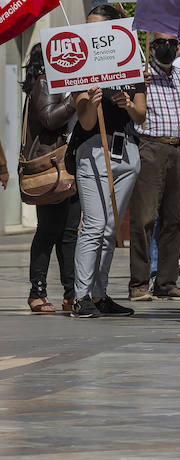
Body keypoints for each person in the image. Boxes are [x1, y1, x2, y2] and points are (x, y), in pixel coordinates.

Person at [70, 3, 148, 319]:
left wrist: (128, 103)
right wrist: (90, 99)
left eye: (98, 27)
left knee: (110, 228)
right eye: (87, 27)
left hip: (126, 150)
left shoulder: (131, 62)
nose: (90, 33)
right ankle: (81, 297)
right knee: (94, 224)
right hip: (93, 150)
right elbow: (87, 122)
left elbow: (141, 115)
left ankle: (100, 294)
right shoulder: (80, 65)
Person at [127, 33, 180, 302]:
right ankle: (139, 283)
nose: (166, 47)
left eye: (171, 42)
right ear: (151, 47)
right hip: (151, 148)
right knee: (144, 218)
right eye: (159, 43)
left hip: (179, 149)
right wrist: (135, 88)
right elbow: (129, 108)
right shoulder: (141, 77)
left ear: (178, 46)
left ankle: (167, 282)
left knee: (176, 219)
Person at [23, 44, 79, 314]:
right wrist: (76, 96)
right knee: (48, 231)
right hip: (52, 168)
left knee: (69, 233)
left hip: (69, 166)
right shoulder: (45, 83)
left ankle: (72, 292)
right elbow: (49, 119)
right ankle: (37, 291)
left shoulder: (62, 84)